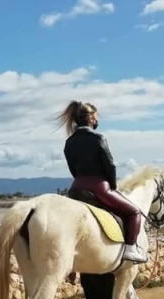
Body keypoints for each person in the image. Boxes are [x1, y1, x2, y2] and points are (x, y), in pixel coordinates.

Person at [57, 101, 148, 264]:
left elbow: (72, 169)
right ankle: (130, 250)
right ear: (91, 118)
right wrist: (112, 185)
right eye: (96, 116)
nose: (97, 119)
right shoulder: (98, 138)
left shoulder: (69, 142)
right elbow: (109, 164)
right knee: (134, 212)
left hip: (76, 187)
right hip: (98, 186)